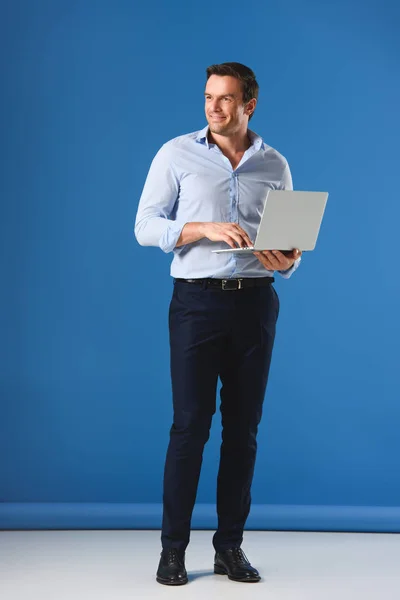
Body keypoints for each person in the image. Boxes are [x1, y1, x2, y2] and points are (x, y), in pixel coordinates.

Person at [134, 62, 302, 586]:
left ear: (249, 105)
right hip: (196, 304)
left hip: (255, 305)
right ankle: (172, 551)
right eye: (209, 97)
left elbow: (291, 246)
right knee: (190, 427)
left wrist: (288, 260)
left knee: (243, 431)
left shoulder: (274, 164)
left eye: (226, 99)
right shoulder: (175, 153)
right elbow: (144, 226)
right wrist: (199, 228)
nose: (214, 107)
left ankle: (230, 547)